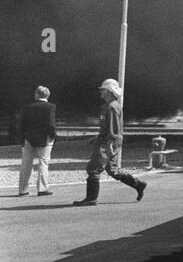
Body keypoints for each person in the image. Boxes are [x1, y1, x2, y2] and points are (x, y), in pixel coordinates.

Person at [74, 78, 147, 206]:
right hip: (107, 140)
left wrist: (109, 144)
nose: (100, 93)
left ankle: (91, 198)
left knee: (93, 168)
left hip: (107, 142)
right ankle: (138, 184)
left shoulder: (112, 106)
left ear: (108, 92)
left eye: (103, 90)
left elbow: (114, 128)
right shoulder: (110, 106)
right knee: (112, 169)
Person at [18, 85, 57, 196]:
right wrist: (53, 136)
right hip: (44, 138)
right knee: (43, 163)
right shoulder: (51, 107)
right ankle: (42, 188)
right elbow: (50, 124)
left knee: (26, 164)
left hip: (28, 138)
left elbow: (22, 125)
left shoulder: (26, 107)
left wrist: (22, 139)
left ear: (37, 94)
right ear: (47, 95)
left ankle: (23, 189)